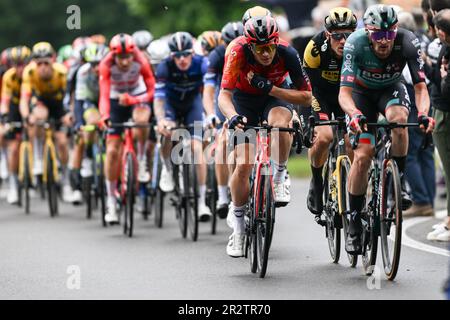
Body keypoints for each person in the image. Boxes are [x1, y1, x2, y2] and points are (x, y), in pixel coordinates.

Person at [338, 4, 435, 254]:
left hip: (391, 89)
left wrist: (423, 114)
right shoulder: (354, 43)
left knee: (400, 121)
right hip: (361, 94)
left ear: (396, 31)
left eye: (389, 35)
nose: (384, 42)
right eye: (378, 35)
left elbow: (421, 88)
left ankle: (399, 182)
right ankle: (354, 223)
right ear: (368, 33)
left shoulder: (409, 41)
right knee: (362, 155)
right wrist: (355, 114)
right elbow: (344, 93)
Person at [219, 15, 312, 257]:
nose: (266, 53)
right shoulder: (237, 51)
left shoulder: (287, 52)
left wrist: (271, 88)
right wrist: (232, 117)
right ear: (250, 45)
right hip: (243, 100)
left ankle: (279, 176)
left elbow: (305, 97)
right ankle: (238, 229)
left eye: (270, 46)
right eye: (260, 48)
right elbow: (224, 96)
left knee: (281, 125)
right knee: (243, 163)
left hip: (275, 94)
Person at [303, 7, 357, 220]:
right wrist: (307, 119)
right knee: (324, 137)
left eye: (349, 35)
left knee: (352, 141)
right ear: (328, 35)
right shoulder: (314, 48)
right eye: (337, 36)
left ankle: (353, 192)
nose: (343, 41)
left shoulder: (361, 47)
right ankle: (317, 181)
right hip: (321, 96)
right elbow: (305, 88)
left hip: (349, 95)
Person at [154, 31, 214, 222]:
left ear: (192, 53)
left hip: (193, 105)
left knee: (197, 149)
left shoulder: (202, 64)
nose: (182, 59)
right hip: (171, 106)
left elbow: (209, 92)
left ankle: (202, 202)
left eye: (186, 54)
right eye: (177, 56)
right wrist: (161, 119)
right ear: (172, 56)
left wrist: (209, 115)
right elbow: (159, 99)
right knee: (166, 134)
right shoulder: (164, 67)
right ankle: (167, 169)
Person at [99, 33, 155, 224]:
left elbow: (153, 89)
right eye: (120, 58)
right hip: (116, 101)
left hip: (137, 96)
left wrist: (135, 100)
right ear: (114, 56)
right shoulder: (106, 64)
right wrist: (105, 116)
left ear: (133, 54)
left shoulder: (141, 60)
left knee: (142, 119)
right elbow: (104, 95)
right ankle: (111, 201)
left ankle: (141, 160)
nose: (124, 62)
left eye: (127, 57)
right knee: (112, 150)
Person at [19, 42, 74, 202]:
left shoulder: (62, 72)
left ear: (53, 61)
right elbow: (24, 99)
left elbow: (70, 97)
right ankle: (38, 159)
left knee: (62, 142)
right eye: (39, 63)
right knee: (37, 117)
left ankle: (65, 180)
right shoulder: (29, 72)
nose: (43, 67)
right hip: (41, 102)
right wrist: (26, 116)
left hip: (58, 103)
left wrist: (69, 114)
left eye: (46, 63)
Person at [203, 21, 244, 219]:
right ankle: (222, 196)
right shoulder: (218, 55)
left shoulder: (250, 50)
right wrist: (210, 112)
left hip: (245, 96)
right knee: (223, 141)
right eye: (229, 42)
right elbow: (209, 88)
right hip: (225, 96)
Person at [398, 10, 436, 218]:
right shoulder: (425, 39)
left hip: (414, 95)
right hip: (427, 93)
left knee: (410, 152)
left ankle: (421, 200)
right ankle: (429, 199)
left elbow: (407, 75)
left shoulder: (406, 44)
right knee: (426, 150)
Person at [69, 43, 109, 204]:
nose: (97, 68)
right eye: (93, 64)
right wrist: (79, 122)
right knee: (89, 125)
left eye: (99, 63)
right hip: (90, 102)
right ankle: (87, 159)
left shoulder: (111, 70)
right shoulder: (83, 72)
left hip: (108, 102)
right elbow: (79, 101)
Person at [427, 6, 450, 242]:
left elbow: (445, 88)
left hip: (445, 111)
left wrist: (440, 74)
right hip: (442, 108)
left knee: (449, 168)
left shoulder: (443, 48)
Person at [0, 46, 31, 204]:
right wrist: (5, 117)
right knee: (13, 148)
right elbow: (5, 100)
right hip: (14, 107)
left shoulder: (32, 74)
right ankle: (13, 184)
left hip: (31, 105)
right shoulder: (8, 77)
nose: (20, 68)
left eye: (23, 64)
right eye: (16, 64)